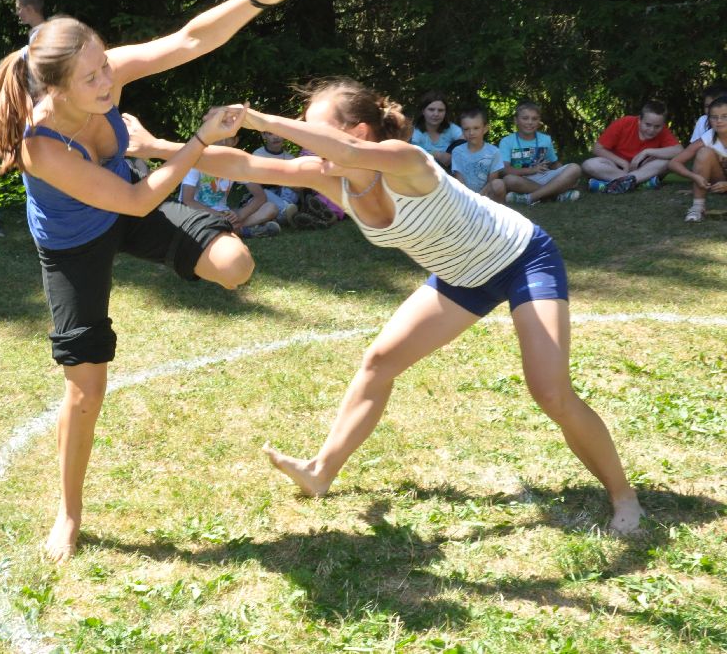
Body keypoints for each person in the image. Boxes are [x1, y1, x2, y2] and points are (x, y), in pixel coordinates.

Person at [0, 0, 321, 561]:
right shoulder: (41, 145)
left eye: (104, 66)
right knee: (86, 390)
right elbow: (140, 200)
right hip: (74, 243)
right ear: (56, 88)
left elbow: (190, 39)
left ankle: (69, 508)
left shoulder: (103, 71)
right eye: (91, 79)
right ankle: (68, 512)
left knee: (236, 266)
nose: (106, 83)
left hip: (127, 202)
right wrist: (197, 141)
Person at [198, 79, 642, 535]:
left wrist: (256, 118)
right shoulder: (328, 174)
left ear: (360, 132)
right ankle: (320, 471)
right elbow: (244, 164)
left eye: (316, 130)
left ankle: (623, 496)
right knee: (380, 362)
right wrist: (161, 147)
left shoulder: (406, 160)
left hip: (520, 259)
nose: (307, 144)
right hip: (461, 277)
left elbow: (336, 150)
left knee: (550, 392)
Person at [180, 135, 282, 238]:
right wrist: (219, 215)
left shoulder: (236, 165)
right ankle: (244, 231)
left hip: (224, 214)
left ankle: (232, 228)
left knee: (271, 208)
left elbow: (260, 197)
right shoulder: (197, 161)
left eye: (228, 137)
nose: (223, 142)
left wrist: (239, 215)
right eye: (219, 135)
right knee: (204, 225)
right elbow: (187, 200)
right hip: (196, 214)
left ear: (235, 141)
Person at [582, 101, 681, 194]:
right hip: (616, 167)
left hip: (644, 169)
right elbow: (597, 148)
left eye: (657, 127)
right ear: (639, 120)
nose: (651, 130)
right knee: (589, 165)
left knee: (666, 162)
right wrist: (623, 163)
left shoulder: (663, 130)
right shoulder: (624, 123)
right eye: (648, 125)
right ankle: (639, 183)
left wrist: (647, 152)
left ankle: (613, 185)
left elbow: (679, 151)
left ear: (663, 125)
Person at [498, 102, 582, 204]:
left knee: (575, 168)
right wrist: (531, 170)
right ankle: (556, 195)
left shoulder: (545, 139)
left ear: (539, 121)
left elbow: (554, 164)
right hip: (522, 179)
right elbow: (504, 170)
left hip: (544, 176)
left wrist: (567, 178)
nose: (530, 122)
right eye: (525, 118)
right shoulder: (507, 141)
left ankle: (529, 197)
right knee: (508, 180)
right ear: (516, 120)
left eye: (534, 119)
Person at [668, 95, 727, 222]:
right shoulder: (708, 137)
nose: (719, 121)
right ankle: (697, 207)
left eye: (725, 116)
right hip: (720, 180)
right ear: (708, 119)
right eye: (714, 117)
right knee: (704, 152)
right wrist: (694, 177)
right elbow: (674, 163)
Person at [250, 131, 318, 229]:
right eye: (270, 134)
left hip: (285, 194)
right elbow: (256, 181)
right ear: (263, 135)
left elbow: (298, 185)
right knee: (263, 193)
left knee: (292, 189)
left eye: (279, 132)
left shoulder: (291, 159)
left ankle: (283, 212)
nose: (276, 137)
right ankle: (286, 212)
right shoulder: (258, 155)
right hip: (268, 193)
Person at [450, 107, 507, 202]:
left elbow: (492, 181)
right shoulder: (457, 151)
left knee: (498, 184)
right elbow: (459, 181)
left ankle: (497, 210)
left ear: (485, 129)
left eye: (476, 128)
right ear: (462, 131)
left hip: (486, 197)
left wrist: (478, 199)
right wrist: (469, 200)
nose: (471, 133)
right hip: (464, 197)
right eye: (466, 129)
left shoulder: (494, 152)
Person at [409, 91, 462, 168]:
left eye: (440, 110)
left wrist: (454, 156)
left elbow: (469, 143)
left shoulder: (451, 128)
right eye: (431, 109)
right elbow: (412, 155)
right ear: (423, 111)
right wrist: (437, 155)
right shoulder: (414, 132)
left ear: (445, 112)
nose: (436, 114)